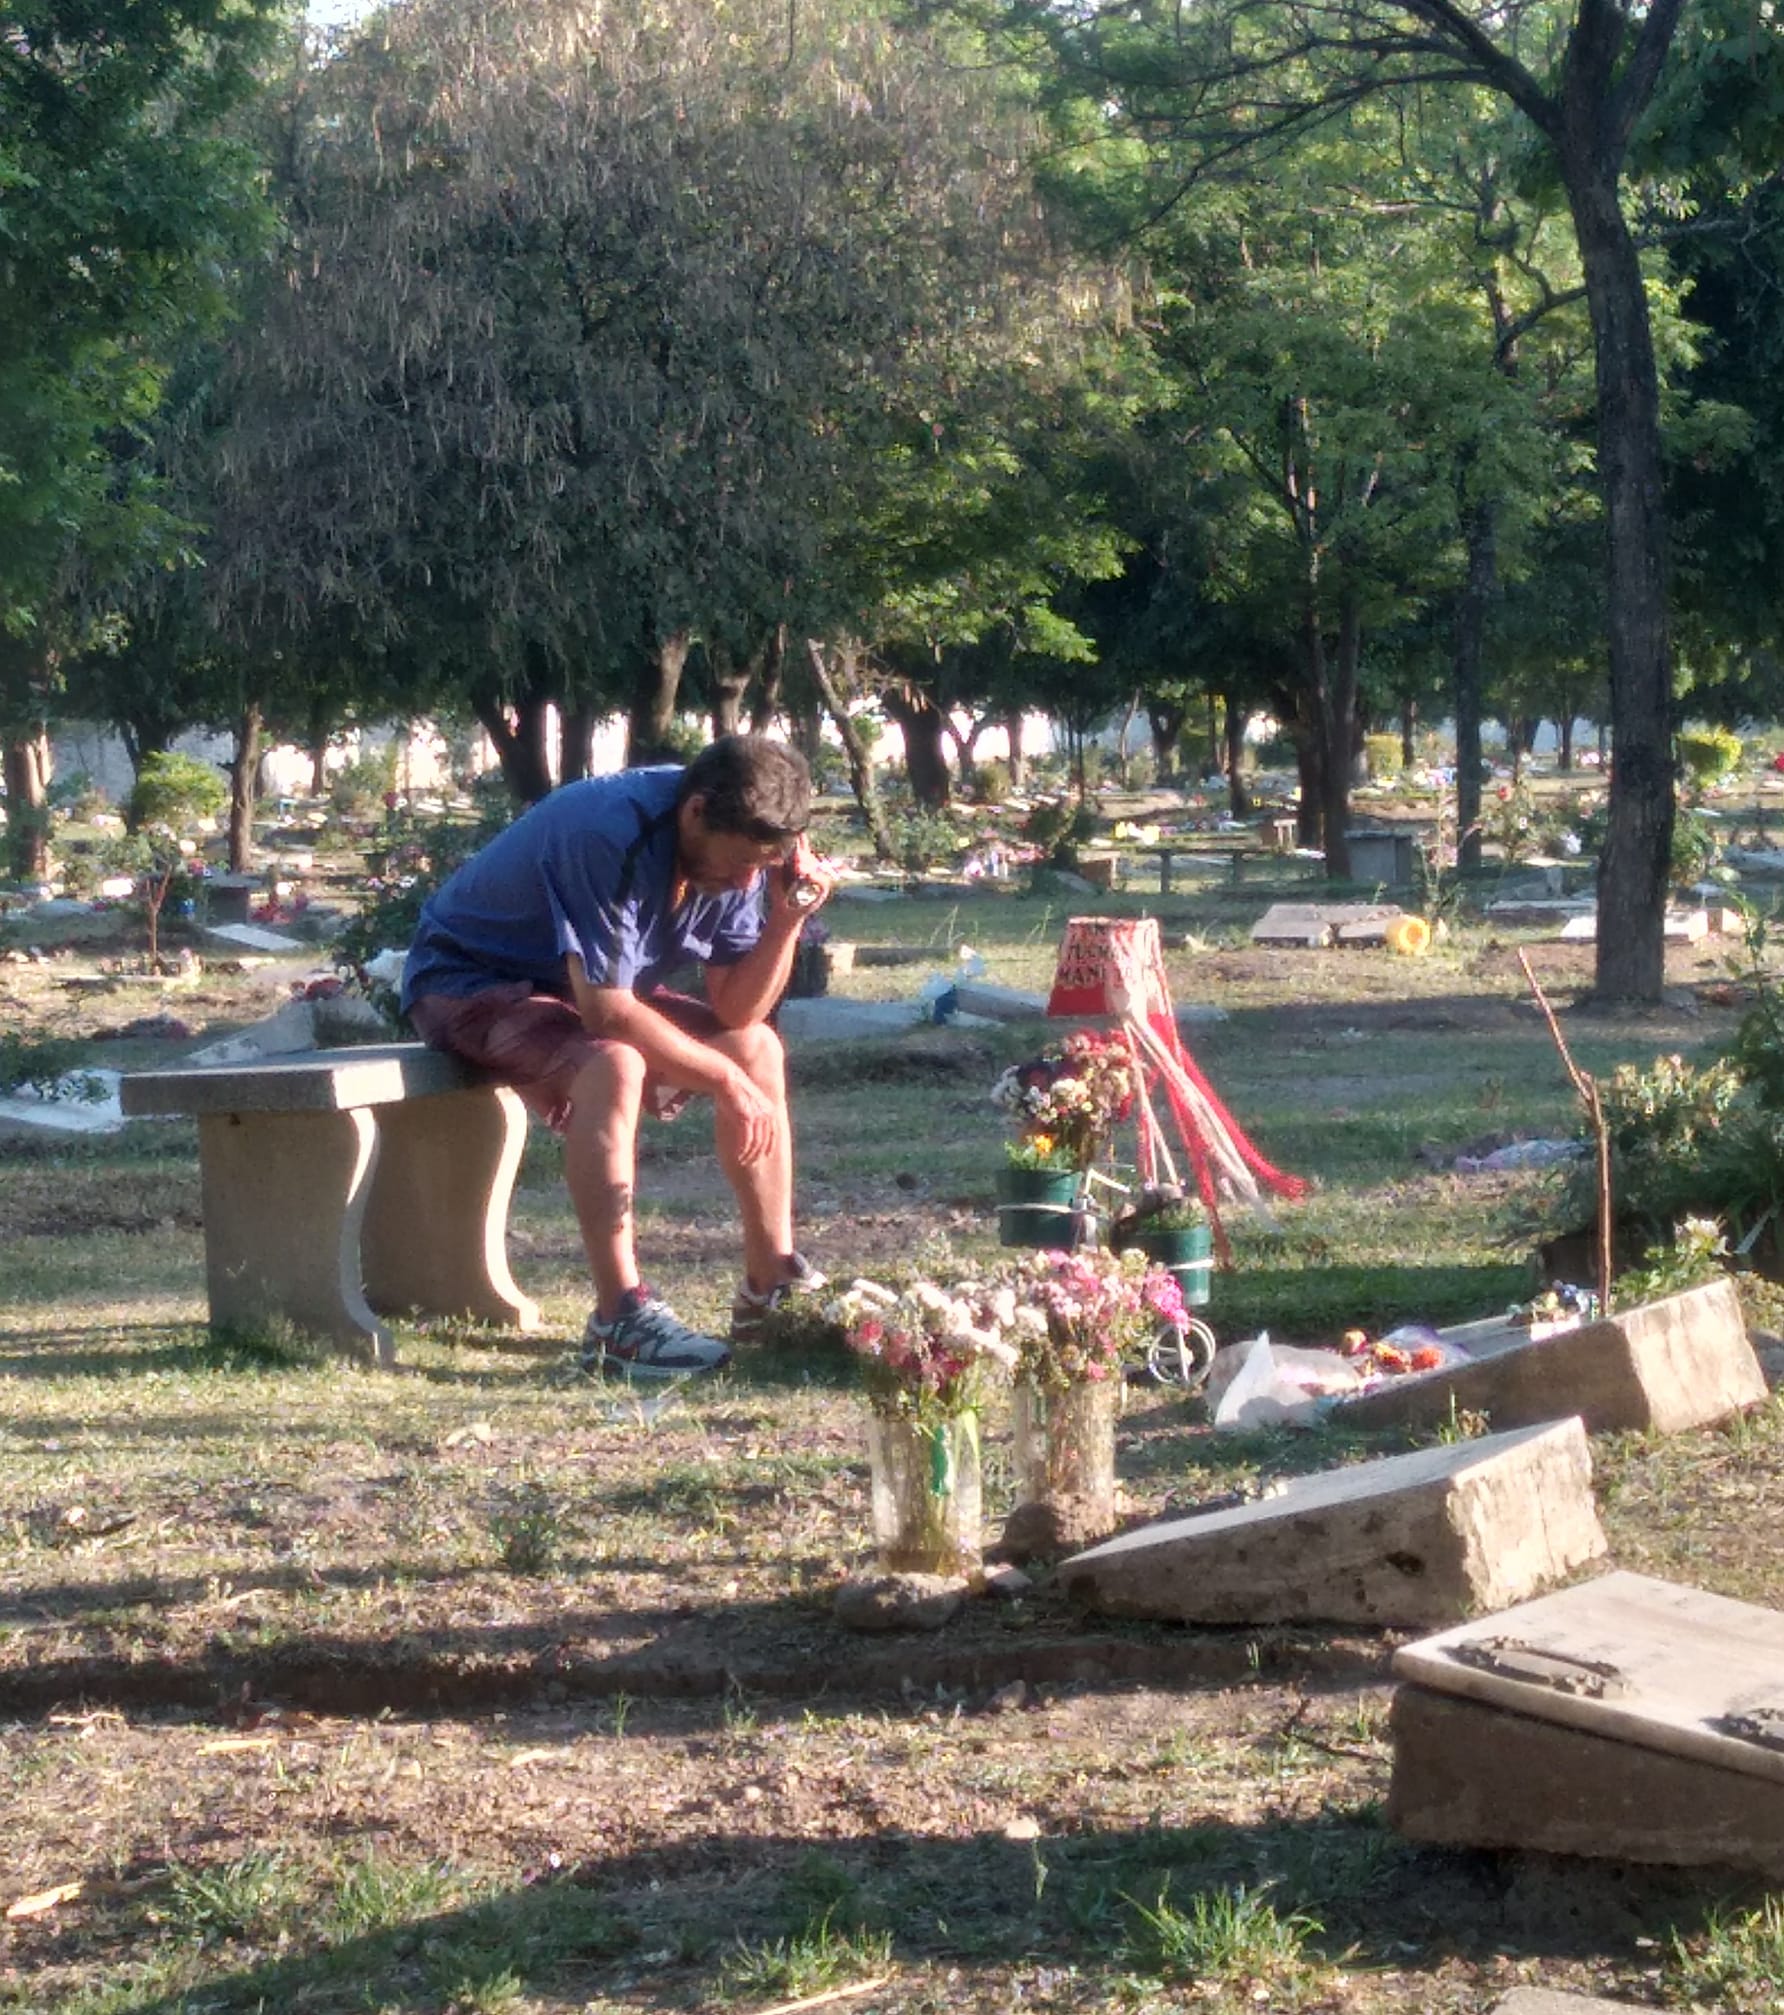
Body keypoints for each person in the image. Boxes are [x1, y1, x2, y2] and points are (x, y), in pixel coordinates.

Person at [400, 735, 834, 1381]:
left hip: (574, 991)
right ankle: (618, 1319)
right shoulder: (611, 829)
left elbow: (740, 1011)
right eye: (742, 863)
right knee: (614, 1063)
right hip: (469, 982)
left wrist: (786, 920)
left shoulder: (745, 846)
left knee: (756, 1048)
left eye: (761, 865)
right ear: (695, 812)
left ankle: (770, 1288)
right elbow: (606, 1012)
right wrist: (722, 1081)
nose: (748, 881)